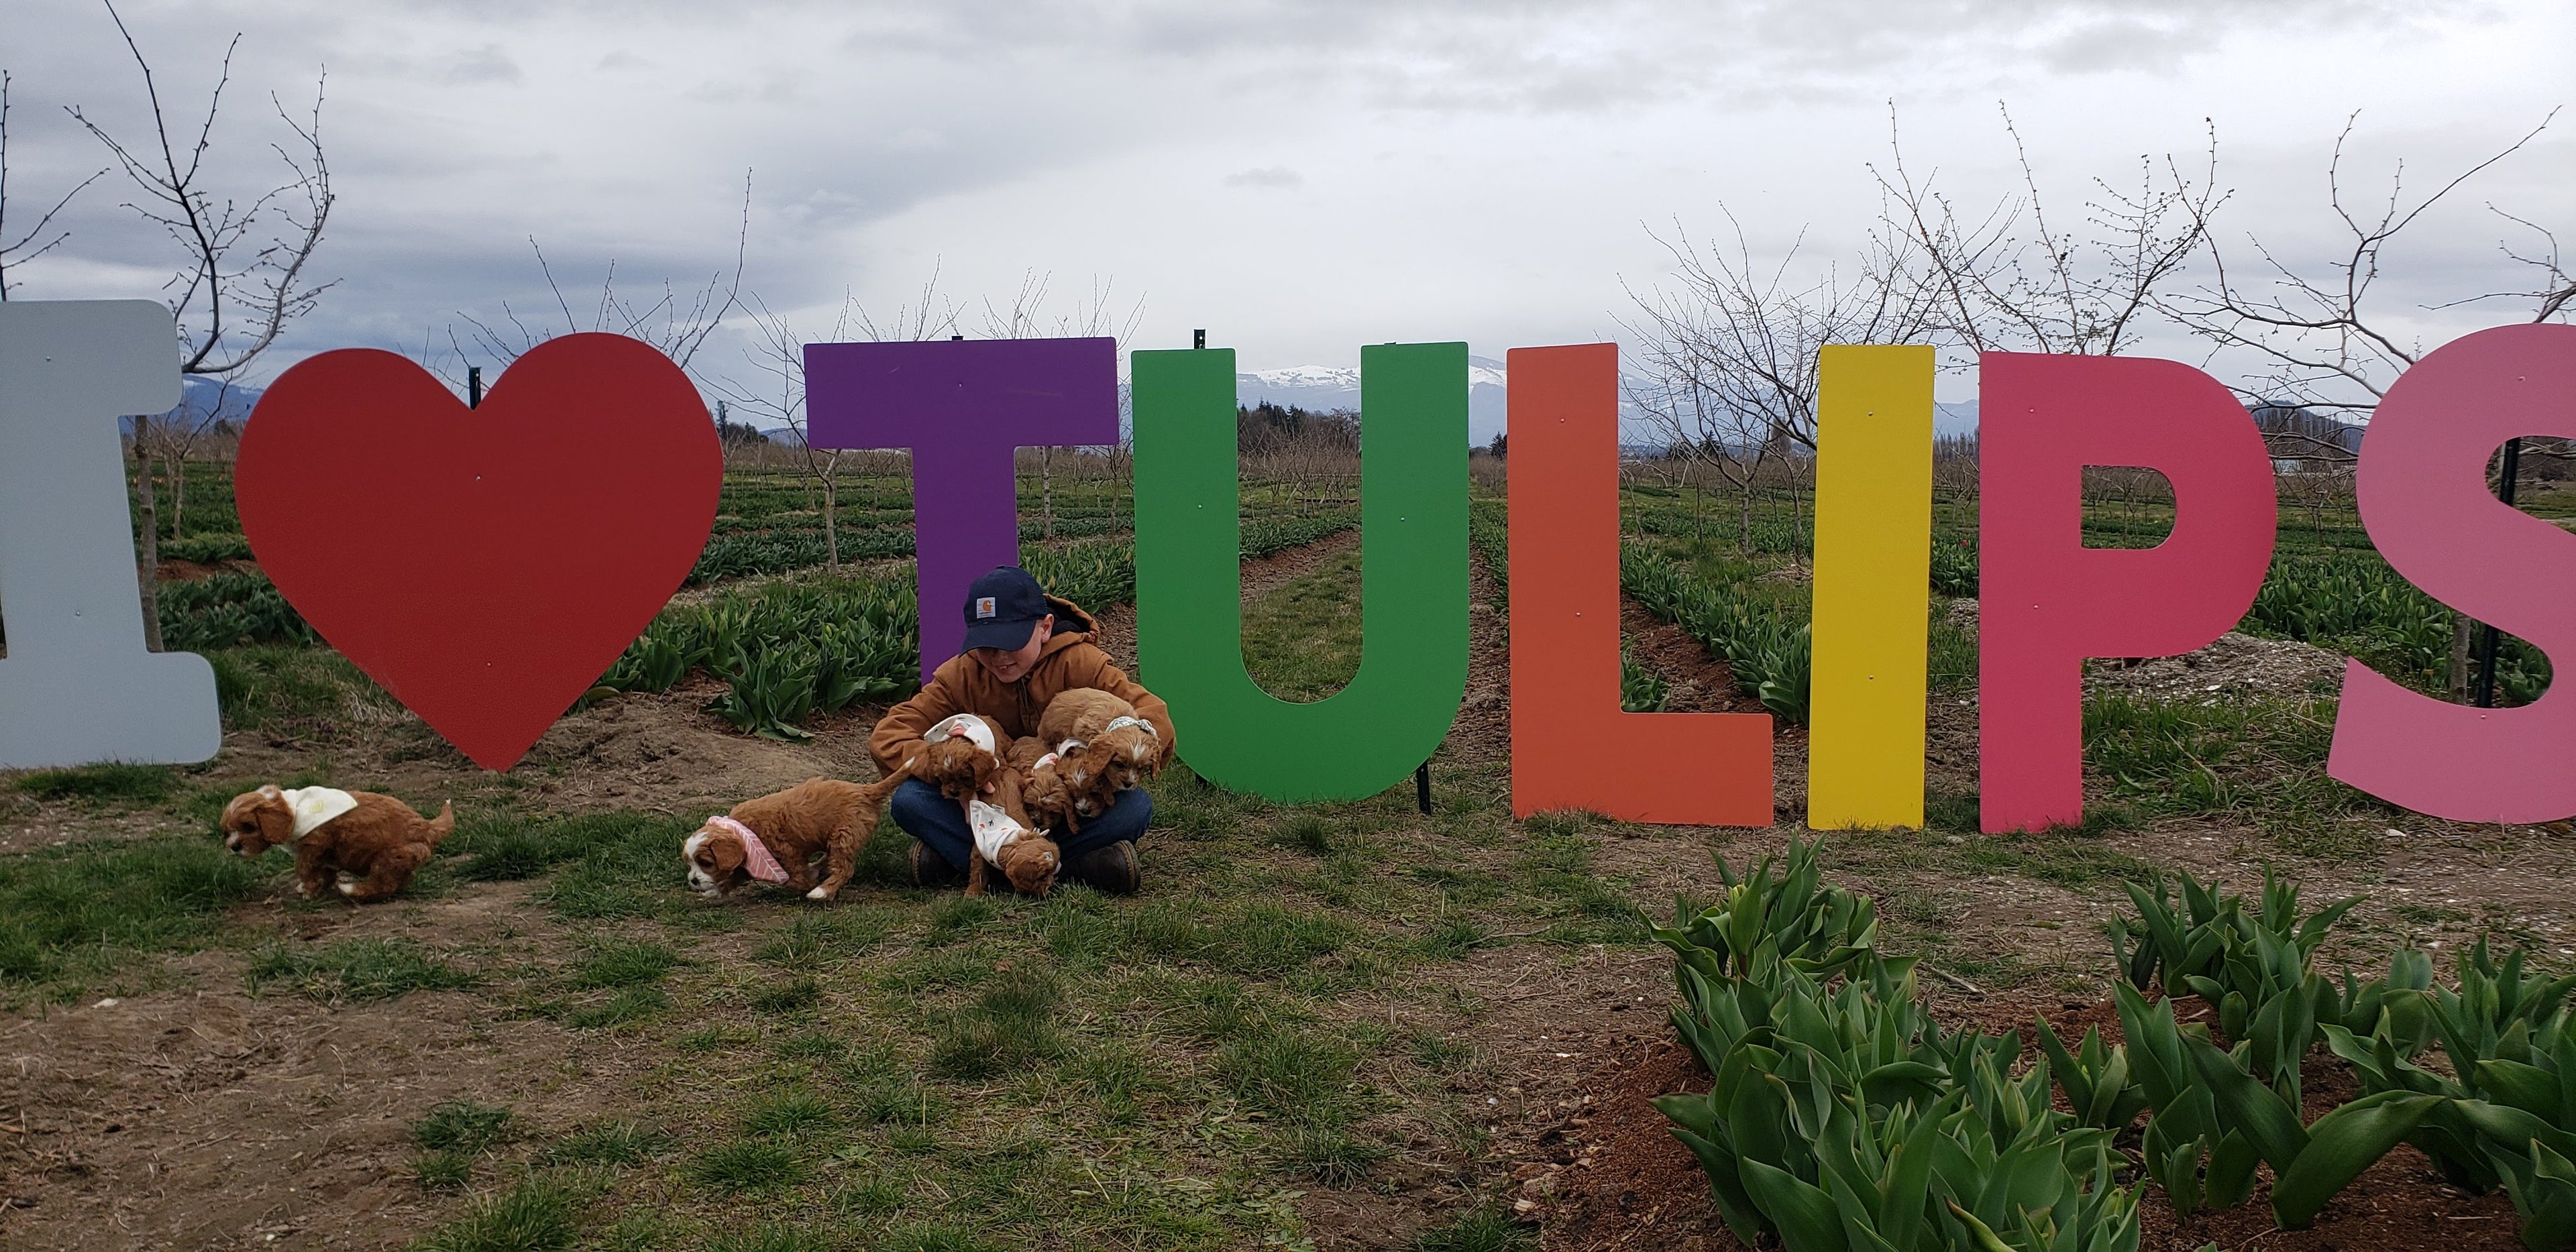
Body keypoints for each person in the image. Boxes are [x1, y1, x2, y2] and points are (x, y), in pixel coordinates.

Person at [868, 565, 1175, 893]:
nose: (998, 657)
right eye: (986, 645)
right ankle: (1074, 865)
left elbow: (1155, 719)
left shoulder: (1084, 664)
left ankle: (973, 860)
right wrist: (952, 769)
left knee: (1134, 808)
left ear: (1045, 628)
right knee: (909, 801)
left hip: (1062, 806)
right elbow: (888, 736)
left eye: (1010, 642)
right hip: (988, 806)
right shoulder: (960, 675)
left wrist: (1097, 753)